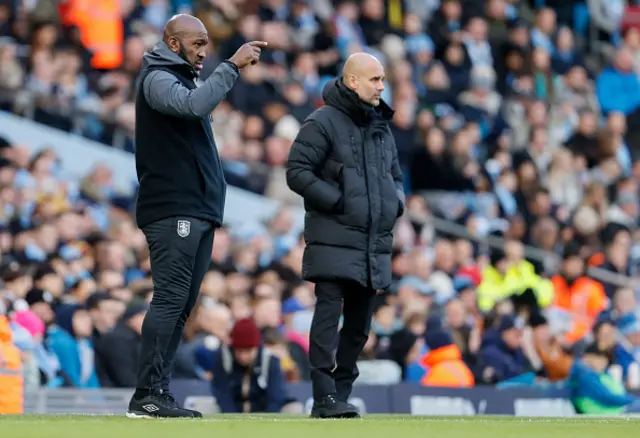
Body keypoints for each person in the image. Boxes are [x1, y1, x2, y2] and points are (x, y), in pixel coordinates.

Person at [127, 14, 267, 419]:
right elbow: (194, 107)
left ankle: (158, 392)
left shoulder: (182, 76)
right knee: (170, 299)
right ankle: (146, 395)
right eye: (198, 43)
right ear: (173, 44)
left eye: (207, 44)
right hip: (173, 208)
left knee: (183, 304)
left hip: (195, 209)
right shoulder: (157, 78)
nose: (205, 51)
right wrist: (232, 67)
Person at [286, 52, 405, 418]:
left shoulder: (381, 127)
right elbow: (297, 171)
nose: (382, 86)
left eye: (383, 80)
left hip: (372, 242)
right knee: (327, 318)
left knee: (358, 327)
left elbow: (396, 177)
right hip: (334, 236)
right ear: (352, 81)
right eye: (375, 79)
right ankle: (324, 396)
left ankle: (340, 394)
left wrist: (395, 204)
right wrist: (338, 201)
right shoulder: (322, 121)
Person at [197, 318, 302, 414]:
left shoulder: (270, 360)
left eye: (248, 351)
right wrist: (233, 419)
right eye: (239, 351)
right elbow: (222, 394)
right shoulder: (223, 358)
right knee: (202, 407)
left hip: (262, 410)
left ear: (256, 347)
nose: (243, 356)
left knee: (294, 408)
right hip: (233, 410)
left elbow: (276, 396)